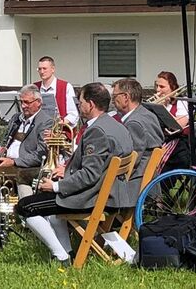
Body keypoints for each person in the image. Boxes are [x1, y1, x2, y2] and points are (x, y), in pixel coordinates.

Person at [15, 82, 134, 265]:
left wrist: (55, 186)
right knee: (52, 212)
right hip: (112, 193)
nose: (79, 106)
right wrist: (67, 170)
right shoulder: (116, 125)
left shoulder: (96, 131)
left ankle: (61, 256)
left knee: (25, 206)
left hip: (93, 198)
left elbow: (89, 175)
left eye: (81, 102)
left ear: (91, 104)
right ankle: (68, 253)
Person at [0, 86, 55, 186]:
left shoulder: (46, 122)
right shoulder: (16, 118)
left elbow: (40, 155)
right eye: (21, 102)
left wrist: (14, 162)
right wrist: (3, 149)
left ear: (38, 102)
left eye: (27, 102)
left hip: (24, 167)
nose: (23, 106)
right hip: (6, 160)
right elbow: (6, 141)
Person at [112, 78, 162, 183]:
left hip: (136, 181)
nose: (113, 100)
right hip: (151, 178)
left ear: (126, 97)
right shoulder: (148, 114)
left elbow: (131, 161)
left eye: (114, 96)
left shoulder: (134, 124)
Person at [155, 71, 191, 171]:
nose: (158, 90)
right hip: (160, 142)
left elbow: (179, 125)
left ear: (173, 87)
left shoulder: (182, 102)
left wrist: (161, 109)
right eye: (157, 86)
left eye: (162, 87)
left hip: (177, 148)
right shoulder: (158, 104)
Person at [33, 56, 79, 128]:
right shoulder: (34, 87)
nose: (42, 72)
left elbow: (73, 113)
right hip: (39, 129)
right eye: (39, 69)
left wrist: (62, 122)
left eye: (44, 68)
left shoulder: (66, 86)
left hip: (60, 130)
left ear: (53, 69)